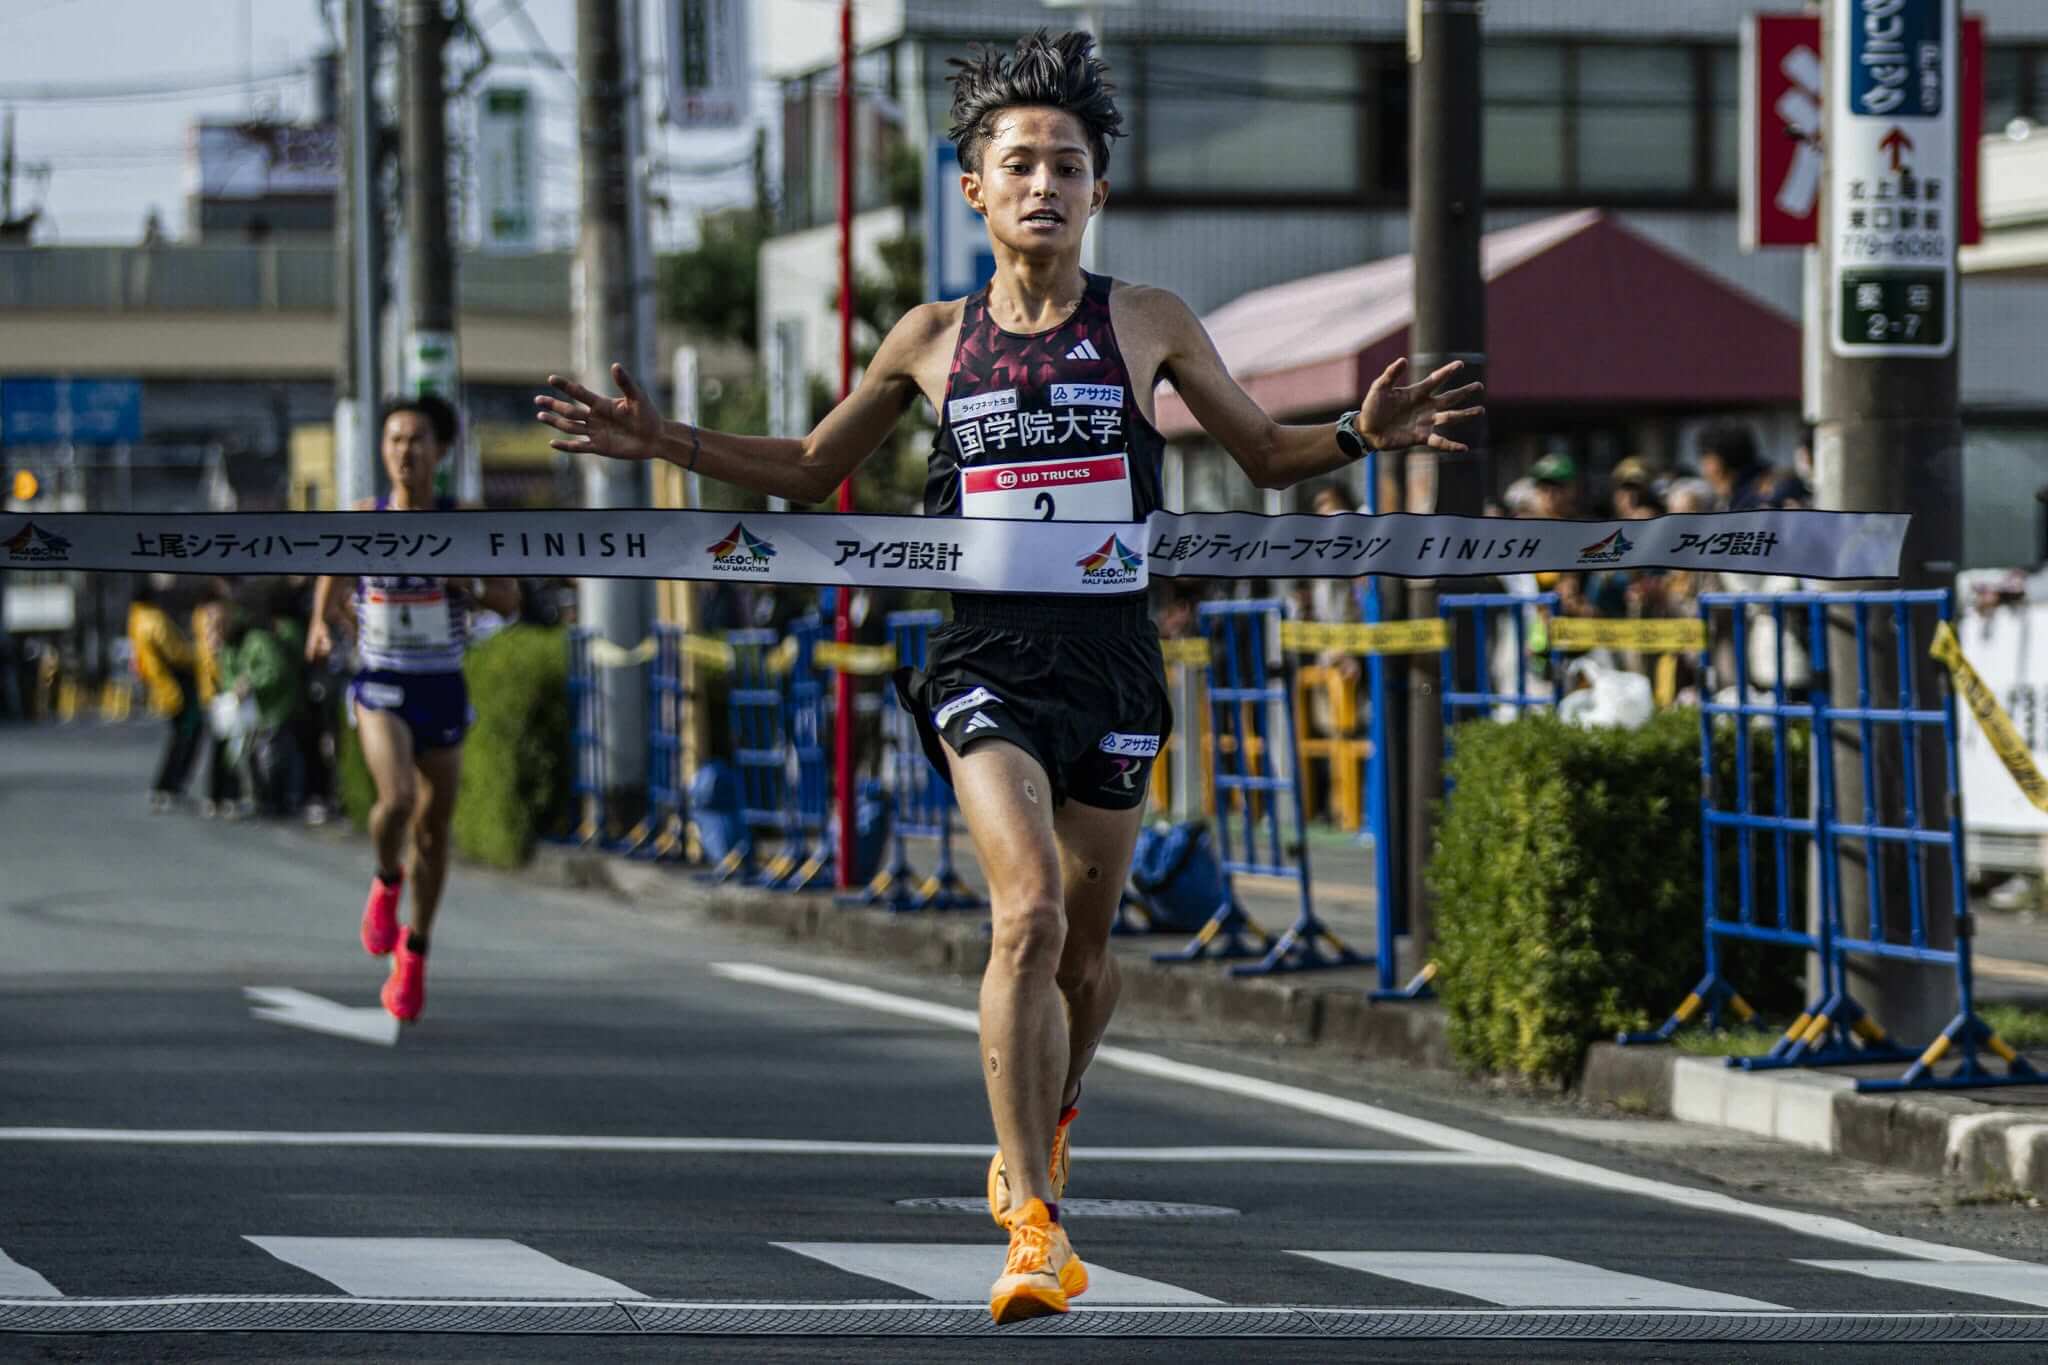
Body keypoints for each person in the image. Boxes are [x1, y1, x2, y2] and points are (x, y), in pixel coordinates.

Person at [535, 29, 1480, 1326]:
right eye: (1020, 163)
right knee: (1025, 912)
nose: (1044, 184)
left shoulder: (1146, 321)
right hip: (985, 665)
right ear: (973, 188)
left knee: (1085, 960)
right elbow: (812, 470)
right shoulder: (930, 337)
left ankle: (1053, 1106)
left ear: (1099, 192)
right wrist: (667, 442)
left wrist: (1359, 436)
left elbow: (1263, 454)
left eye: (1067, 165)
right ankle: (1032, 1221)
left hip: (1115, 667)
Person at [306, 397, 521, 1023]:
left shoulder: (465, 522)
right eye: (395, 439)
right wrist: (321, 624)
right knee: (397, 798)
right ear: (382, 450)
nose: (405, 451)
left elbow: (508, 599)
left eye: (417, 440)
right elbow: (330, 573)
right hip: (381, 679)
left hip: (441, 682)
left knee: (432, 830)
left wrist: (465, 584)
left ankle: (416, 950)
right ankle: (384, 879)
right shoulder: (363, 518)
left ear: (441, 451)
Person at [128, 578, 202, 811]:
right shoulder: (153, 619)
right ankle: (170, 786)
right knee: (186, 735)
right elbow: (175, 652)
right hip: (176, 684)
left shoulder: (135, 618)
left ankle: (166, 786)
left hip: (162, 685)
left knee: (178, 737)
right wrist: (200, 657)